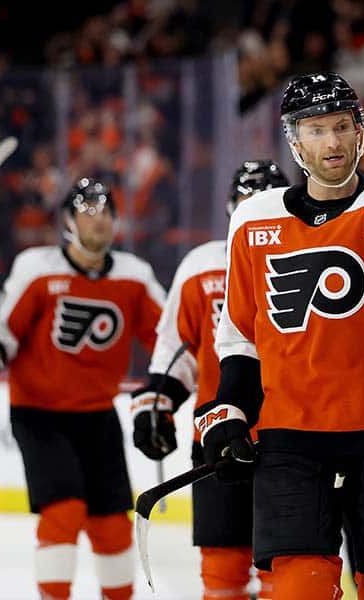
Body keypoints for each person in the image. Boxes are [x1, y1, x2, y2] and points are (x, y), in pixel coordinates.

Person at [196, 72, 364, 600]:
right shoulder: (252, 220)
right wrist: (228, 411)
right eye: (317, 130)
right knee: (300, 588)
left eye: (343, 126)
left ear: (361, 132)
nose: (333, 143)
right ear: (294, 142)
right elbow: (241, 336)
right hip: (293, 436)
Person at [0, 178, 165, 599]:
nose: (99, 219)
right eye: (88, 210)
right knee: (64, 511)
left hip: (98, 414)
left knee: (112, 525)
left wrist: (174, 384)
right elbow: (3, 328)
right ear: (69, 221)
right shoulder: (38, 267)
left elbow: (171, 338)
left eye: (106, 210)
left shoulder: (134, 276)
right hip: (40, 413)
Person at [130, 160, 289, 600]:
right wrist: (156, 406)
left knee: (288, 568)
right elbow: (175, 349)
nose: (254, 209)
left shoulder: (310, 259)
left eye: (265, 198)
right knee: (222, 569)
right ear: (229, 208)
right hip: (218, 434)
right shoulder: (201, 267)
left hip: (291, 436)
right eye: (245, 200)